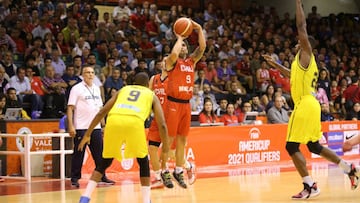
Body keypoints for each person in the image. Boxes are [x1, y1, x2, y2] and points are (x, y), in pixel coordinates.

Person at [273, 0, 360, 199]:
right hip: (312, 105)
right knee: (314, 146)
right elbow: (290, 75)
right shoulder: (299, 64)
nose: (297, 42)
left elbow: (301, 26)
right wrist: (276, 65)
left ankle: (310, 185)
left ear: (307, 45)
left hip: (305, 104)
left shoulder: (306, 54)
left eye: (301, 41)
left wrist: (297, 3)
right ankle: (348, 169)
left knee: (291, 146)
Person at [78, 72, 169, 203]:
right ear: (147, 84)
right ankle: (146, 200)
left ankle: (85, 197)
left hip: (114, 121)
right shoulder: (151, 95)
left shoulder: (123, 90)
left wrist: (87, 134)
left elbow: (102, 111)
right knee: (143, 162)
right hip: (134, 122)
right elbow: (162, 125)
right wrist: (165, 146)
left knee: (105, 161)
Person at [162, 19, 205, 189]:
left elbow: (201, 48)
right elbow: (173, 55)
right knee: (169, 140)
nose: (184, 48)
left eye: (186, 46)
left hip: (186, 105)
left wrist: (199, 29)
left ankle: (178, 170)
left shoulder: (191, 62)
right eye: (182, 46)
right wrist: (179, 38)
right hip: (173, 104)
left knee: (182, 141)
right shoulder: (170, 61)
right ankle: (164, 170)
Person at [67, 65, 114, 188]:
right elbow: (70, 108)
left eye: (92, 72)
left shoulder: (96, 88)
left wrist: (103, 125)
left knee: (100, 154)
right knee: (79, 154)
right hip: (81, 127)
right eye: (87, 72)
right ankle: (75, 178)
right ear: (83, 75)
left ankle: (101, 176)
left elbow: (100, 109)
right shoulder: (76, 89)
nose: (90, 74)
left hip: (96, 127)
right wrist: (71, 126)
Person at [147, 57, 170, 189]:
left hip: (170, 119)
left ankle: (188, 166)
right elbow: (148, 96)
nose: (165, 63)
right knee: (152, 148)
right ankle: (158, 177)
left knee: (171, 152)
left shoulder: (174, 79)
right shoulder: (154, 79)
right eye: (164, 61)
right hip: (157, 118)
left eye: (169, 61)